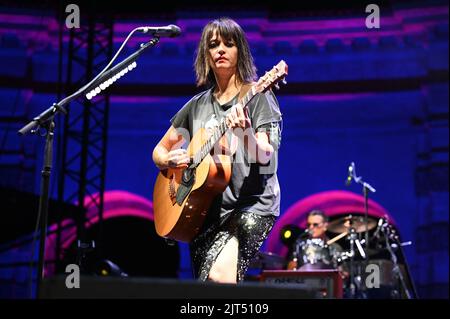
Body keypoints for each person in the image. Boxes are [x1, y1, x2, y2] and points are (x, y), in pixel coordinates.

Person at [152, 17, 282, 283]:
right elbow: (159, 151)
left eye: (229, 44)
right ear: (206, 54)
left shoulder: (259, 96)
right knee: (209, 285)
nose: (220, 49)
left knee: (220, 277)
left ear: (240, 51)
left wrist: (243, 133)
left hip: (250, 206)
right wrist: (170, 159)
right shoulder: (196, 105)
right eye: (213, 45)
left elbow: (266, 155)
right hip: (204, 208)